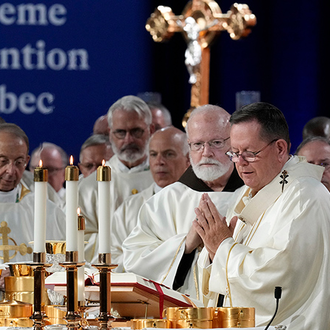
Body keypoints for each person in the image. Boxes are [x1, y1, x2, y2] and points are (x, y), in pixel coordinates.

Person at [194, 102, 330, 329]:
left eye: (249, 153)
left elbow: (280, 279)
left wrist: (222, 248)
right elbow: (222, 257)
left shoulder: (306, 196)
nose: (240, 163)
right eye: (234, 153)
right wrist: (211, 253)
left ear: (280, 149)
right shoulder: (245, 195)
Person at [123, 104, 243, 300]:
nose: (206, 153)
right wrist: (185, 245)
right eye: (198, 144)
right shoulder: (164, 201)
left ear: (233, 143)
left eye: (216, 143)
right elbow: (135, 261)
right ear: (188, 147)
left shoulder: (253, 194)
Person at [78, 95, 155, 263]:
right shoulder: (90, 187)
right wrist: (126, 244)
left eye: (136, 131)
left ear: (151, 130)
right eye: (121, 132)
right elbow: (79, 240)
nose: (128, 140)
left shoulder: (166, 180)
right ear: (110, 134)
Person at [112, 126, 190, 271]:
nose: (159, 161)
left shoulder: (197, 203)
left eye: (169, 154)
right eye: (153, 154)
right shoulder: (130, 207)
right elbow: (112, 257)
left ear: (188, 159)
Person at [0, 123, 66, 265]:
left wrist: (20, 274)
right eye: (2, 161)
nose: (11, 171)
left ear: (27, 162)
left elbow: (64, 263)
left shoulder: (45, 209)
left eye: (19, 162)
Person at [30, 142, 67, 208]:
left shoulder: (73, 203)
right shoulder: (22, 202)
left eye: (50, 169)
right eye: (37, 169)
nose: (43, 175)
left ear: (64, 174)